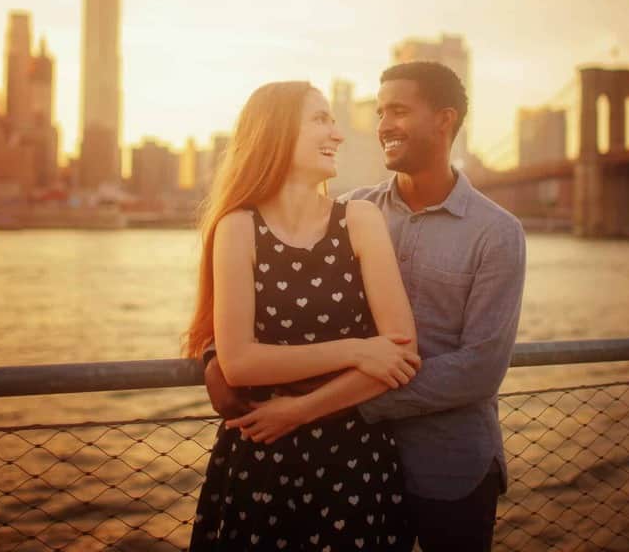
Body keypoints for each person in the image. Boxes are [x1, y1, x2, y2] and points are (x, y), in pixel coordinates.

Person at [210, 61, 527, 552]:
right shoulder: (354, 212)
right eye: (380, 112)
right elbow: (277, 307)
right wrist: (217, 358)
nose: (381, 126)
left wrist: (322, 400)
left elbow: (480, 370)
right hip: (363, 464)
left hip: (448, 464)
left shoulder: (497, 233)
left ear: (444, 121)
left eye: (398, 111)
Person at [185, 80, 422, 551]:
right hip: (260, 461)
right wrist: (357, 350)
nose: (337, 134)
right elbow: (239, 363)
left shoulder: (359, 220)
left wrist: (297, 411)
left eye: (334, 121)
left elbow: (400, 354)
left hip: (354, 464)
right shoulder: (237, 227)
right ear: (275, 132)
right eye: (320, 119)